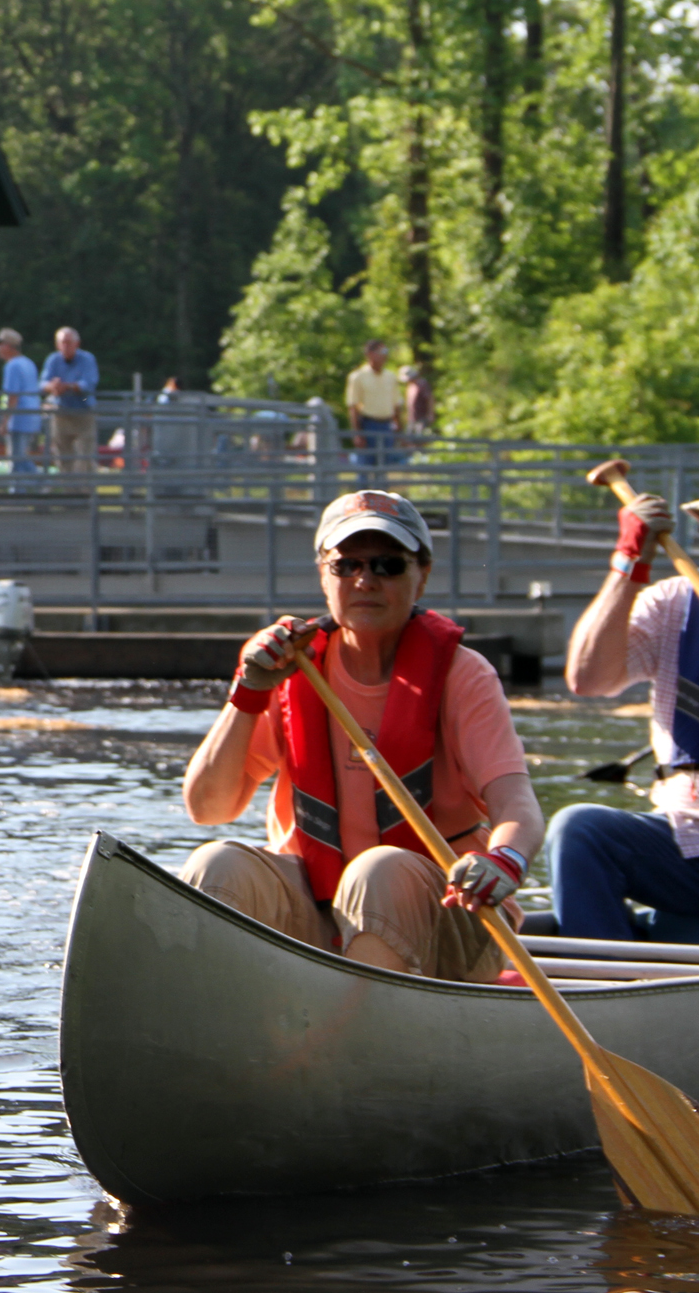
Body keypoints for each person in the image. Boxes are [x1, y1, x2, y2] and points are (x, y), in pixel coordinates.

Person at [178, 490, 542, 979]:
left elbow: (517, 803)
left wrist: (505, 859)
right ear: (323, 574)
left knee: (378, 872)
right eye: (346, 565)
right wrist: (247, 695)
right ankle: (221, 1024)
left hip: (449, 920)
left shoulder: (464, 675)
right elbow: (208, 809)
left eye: (388, 565)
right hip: (317, 912)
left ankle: (361, 1035)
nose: (365, 581)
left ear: (423, 575)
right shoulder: (289, 668)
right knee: (215, 864)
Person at [553, 488, 699, 940]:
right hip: (684, 837)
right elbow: (587, 678)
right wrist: (629, 563)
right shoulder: (674, 602)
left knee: (676, 929)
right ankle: (605, 990)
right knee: (579, 830)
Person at [41, 326, 99, 476]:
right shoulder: (53, 360)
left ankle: (86, 494)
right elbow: (41, 383)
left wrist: (67, 387)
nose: (65, 346)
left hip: (83, 410)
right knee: (62, 456)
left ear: (77, 344)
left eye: (68, 342)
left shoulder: (87, 359)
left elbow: (89, 384)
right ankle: (69, 493)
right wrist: (52, 386)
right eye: (62, 342)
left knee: (84, 457)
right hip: (61, 411)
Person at [347, 340, 402, 475]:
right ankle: (364, 495)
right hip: (367, 424)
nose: (385, 356)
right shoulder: (358, 377)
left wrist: (398, 425)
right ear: (370, 354)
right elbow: (353, 406)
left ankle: (380, 495)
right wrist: (357, 433)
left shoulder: (390, 377)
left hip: (386, 426)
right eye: (382, 352)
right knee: (364, 466)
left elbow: (396, 403)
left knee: (383, 468)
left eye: (386, 352)